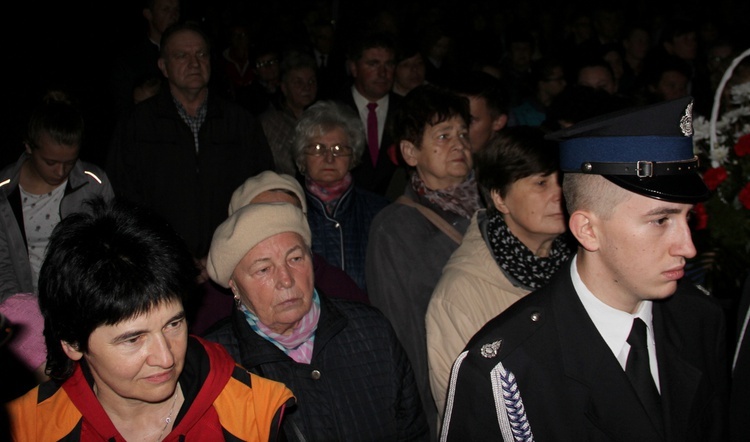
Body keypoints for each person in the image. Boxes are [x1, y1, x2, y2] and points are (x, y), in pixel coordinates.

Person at [440, 96, 728, 441]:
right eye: (661, 220)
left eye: (687, 218)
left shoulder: (700, 319)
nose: (688, 246)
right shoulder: (506, 368)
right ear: (588, 230)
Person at [5, 198, 295, 441]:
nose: (166, 358)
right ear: (72, 343)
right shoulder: (26, 426)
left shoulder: (255, 411)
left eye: (173, 324)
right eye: (133, 339)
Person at [203, 202, 428, 441]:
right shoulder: (214, 365)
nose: (286, 280)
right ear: (235, 286)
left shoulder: (372, 331)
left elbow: (413, 431)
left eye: (296, 259)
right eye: (263, 269)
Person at [107, 21, 275, 282]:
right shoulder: (137, 125)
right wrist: (168, 255)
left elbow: (261, 191)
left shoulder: (239, 122)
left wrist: (223, 251)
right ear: (163, 66)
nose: (194, 63)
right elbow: (125, 200)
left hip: (233, 266)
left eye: (201, 54)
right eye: (181, 56)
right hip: (160, 270)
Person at [426, 126, 573, 418]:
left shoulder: (584, 264)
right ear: (500, 198)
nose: (560, 195)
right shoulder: (460, 293)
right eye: (541, 183)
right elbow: (465, 412)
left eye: (562, 180)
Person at [366, 84, 481, 441]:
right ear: (410, 152)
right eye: (443, 135)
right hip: (447, 387)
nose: (459, 144)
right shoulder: (394, 229)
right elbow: (403, 331)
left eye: (463, 133)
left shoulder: (498, 206)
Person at [189, 170, 369, 334]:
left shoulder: (340, 288)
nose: (286, 280)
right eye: (261, 217)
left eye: (288, 215)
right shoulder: (210, 310)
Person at [0, 93, 114, 301]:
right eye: (50, 162)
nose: (61, 172)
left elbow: (111, 247)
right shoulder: (4, 190)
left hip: (82, 303)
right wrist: (18, 307)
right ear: (28, 146)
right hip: (24, 301)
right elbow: (2, 262)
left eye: (69, 162)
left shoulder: (94, 183)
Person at [293, 100, 390, 291]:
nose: (329, 158)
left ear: (353, 156)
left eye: (339, 149)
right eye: (318, 149)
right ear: (302, 157)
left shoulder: (381, 212)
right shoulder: (290, 211)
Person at [336, 31, 402, 196]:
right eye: (373, 64)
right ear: (354, 68)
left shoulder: (406, 110)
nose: (382, 73)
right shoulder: (332, 109)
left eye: (389, 64)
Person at [109, 0, 180, 118]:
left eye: (177, 10)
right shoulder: (130, 59)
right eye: (166, 9)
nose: (173, 15)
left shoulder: (188, 53)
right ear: (149, 14)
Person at [260, 51, 319, 177]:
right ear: (284, 87)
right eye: (299, 82)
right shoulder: (269, 123)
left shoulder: (322, 118)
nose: (306, 88)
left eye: (311, 81)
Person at [448, 70, 509, 152]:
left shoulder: (516, 162)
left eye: (469, 120)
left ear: (498, 122)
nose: (460, 130)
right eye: (450, 118)